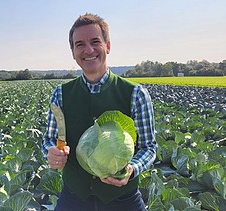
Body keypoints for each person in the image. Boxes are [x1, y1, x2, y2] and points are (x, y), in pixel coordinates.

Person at [42, 13, 157, 211]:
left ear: (108, 46)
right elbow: (49, 139)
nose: (88, 50)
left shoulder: (136, 94)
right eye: (79, 44)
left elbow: (149, 147)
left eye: (95, 42)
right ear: (73, 52)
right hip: (73, 197)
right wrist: (51, 152)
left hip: (123, 198)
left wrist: (131, 169)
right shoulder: (61, 94)